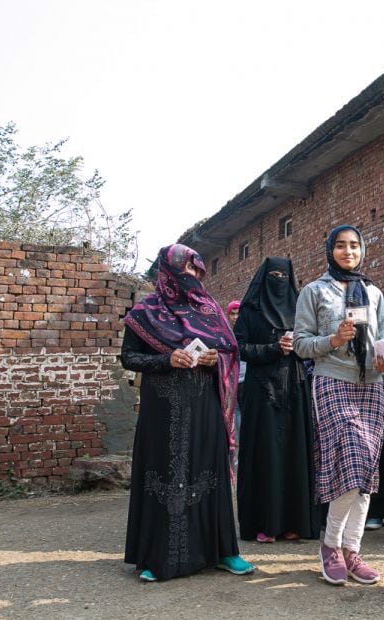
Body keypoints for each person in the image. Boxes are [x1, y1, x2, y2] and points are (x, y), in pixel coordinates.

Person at [121, 243, 254, 582]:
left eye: (197, 270)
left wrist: (215, 359)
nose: (192, 277)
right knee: (161, 473)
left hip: (204, 405)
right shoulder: (144, 312)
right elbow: (129, 358)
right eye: (185, 270)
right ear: (167, 273)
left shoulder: (210, 310)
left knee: (209, 471)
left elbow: (230, 351)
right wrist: (166, 359)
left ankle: (224, 551)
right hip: (161, 409)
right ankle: (154, 557)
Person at [293, 224, 384, 586]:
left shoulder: (373, 293)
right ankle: (331, 545)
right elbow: (301, 344)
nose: (348, 251)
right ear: (330, 250)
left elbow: (383, 338)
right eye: (340, 245)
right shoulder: (314, 291)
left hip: (372, 384)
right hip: (332, 379)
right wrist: (334, 338)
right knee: (350, 457)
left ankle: (353, 550)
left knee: (366, 468)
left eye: (354, 246)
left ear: (362, 250)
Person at [233, 257, 320, 543]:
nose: (279, 279)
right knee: (265, 453)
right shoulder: (250, 310)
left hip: (295, 386)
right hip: (261, 390)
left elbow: (313, 345)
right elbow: (240, 347)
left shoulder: (300, 308)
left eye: (284, 275)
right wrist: (272, 348)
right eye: (274, 274)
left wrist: (297, 347)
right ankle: (265, 523)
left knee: (294, 453)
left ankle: (293, 522)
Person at [226, 300, 245, 463]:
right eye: (232, 313)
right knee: (235, 415)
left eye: (238, 312)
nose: (235, 317)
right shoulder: (226, 334)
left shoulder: (247, 331)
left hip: (247, 379)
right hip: (233, 381)